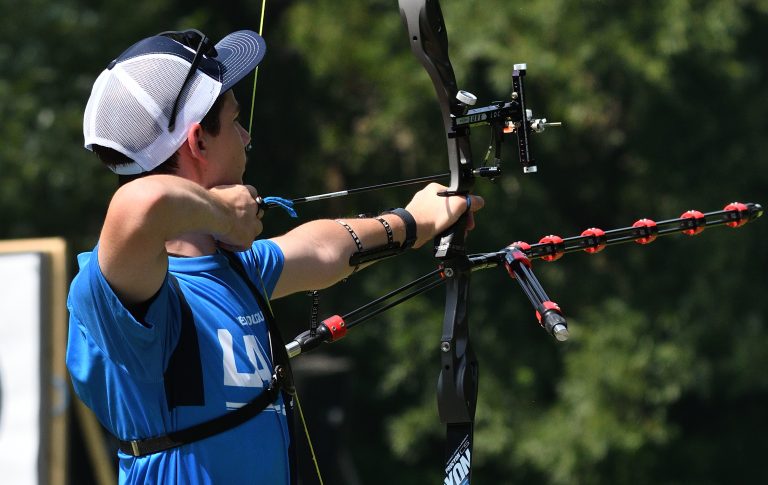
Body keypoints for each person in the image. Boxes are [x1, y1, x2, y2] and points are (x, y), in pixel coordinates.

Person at [66, 28, 484, 484]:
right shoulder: (118, 299)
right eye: (234, 122)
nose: (246, 138)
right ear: (198, 142)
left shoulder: (234, 269)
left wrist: (415, 221)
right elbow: (139, 205)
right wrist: (226, 213)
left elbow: (323, 248)